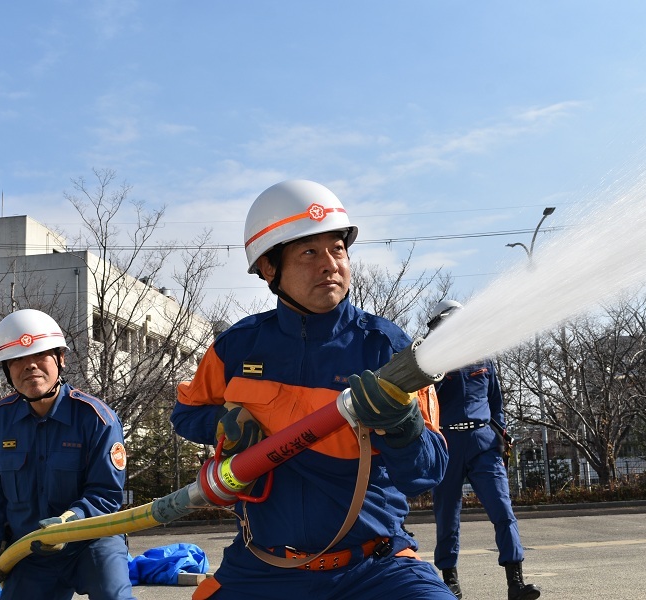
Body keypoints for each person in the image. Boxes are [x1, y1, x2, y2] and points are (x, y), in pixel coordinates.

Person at [170, 179, 456, 599]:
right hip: (262, 568)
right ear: (269, 268)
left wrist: (403, 424)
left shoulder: (388, 348)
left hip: (375, 568)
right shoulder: (236, 348)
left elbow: (429, 471)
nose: (330, 264)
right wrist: (228, 423)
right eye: (309, 252)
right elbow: (186, 413)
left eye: (337, 249)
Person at [0, 308, 135, 600]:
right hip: (31, 548)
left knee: (114, 597)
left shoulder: (96, 418)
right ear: (7, 371)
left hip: (92, 541)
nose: (30, 366)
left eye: (40, 355)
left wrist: (68, 522)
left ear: (60, 359)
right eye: (17, 360)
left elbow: (105, 494)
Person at [427, 300, 541, 600]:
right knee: (447, 516)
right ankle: (450, 582)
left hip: (483, 444)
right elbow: (423, 406)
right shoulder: (430, 361)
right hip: (447, 445)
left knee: (503, 510)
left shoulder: (484, 359)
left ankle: (515, 582)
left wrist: (502, 436)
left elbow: (496, 404)